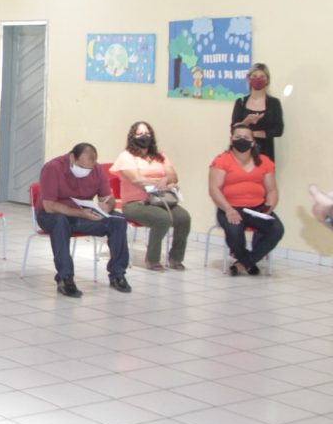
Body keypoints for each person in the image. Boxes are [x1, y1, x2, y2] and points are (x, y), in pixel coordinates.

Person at [37, 143, 132, 297]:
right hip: (51, 215)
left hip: (83, 214)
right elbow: (49, 206)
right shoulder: (53, 168)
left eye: (89, 169)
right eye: (82, 167)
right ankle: (65, 278)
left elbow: (108, 198)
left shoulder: (97, 170)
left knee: (118, 220)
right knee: (60, 222)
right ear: (72, 157)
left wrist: (107, 206)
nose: (85, 171)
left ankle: (118, 274)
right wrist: (81, 214)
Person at [111, 121, 192, 271]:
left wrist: (165, 179)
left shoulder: (160, 156)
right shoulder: (126, 156)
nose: (144, 136)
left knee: (184, 218)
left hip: (161, 200)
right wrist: (159, 182)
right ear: (133, 137)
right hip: (136, 203)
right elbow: (137, 180)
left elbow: (173, 176)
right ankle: (152, 259)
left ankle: (176, 258)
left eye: (147, 133)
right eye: (140, 133)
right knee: (162, 219)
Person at [209, 123, 283, 275]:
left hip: (257, 208)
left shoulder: (264, 161)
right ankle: (248, 262)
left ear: (253, 142)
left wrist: (269, 208)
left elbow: (272, 190)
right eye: (238, 137)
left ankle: (243, 263)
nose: (241, 140)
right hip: (230, 208)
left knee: (276, 229)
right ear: (231, 140)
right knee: (234, 231)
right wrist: (228, 210)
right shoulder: (222, 160)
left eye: (246, 137)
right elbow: (214, 189)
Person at [231, 62, 284, 163]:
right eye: (254, 76)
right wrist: (246, 122)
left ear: (267, 80)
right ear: (249, 79)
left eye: (262, 77)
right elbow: (233, 130)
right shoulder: (241, 102)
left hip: (266, 152)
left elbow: (279, 130)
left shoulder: (274, 103)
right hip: (243, 152)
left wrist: (254, 134)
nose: (258, 79)